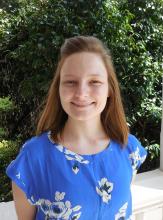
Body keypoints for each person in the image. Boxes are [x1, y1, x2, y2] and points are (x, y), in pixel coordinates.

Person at [6, 36, 147, 220]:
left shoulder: (129, 149)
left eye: (94, 82)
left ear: (110, 89)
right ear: (59, 89)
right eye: (71, 82)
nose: (81, 93)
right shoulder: (33, 159)